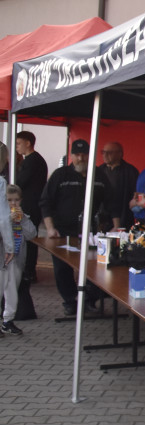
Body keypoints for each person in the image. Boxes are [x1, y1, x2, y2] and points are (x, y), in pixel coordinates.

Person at [39, 139, 107, 316]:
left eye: (84, 154)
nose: (80, 158)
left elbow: (111, 202)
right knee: (62, 268)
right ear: (71, 156)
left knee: (94, 267)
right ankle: (70, 301)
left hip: (91, 232)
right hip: (63, 231)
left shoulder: (99, 175)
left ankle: (90, 300)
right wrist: (50, 228)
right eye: (77, 155)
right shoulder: (60, 175)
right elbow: (45, 202)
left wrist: (112, 227)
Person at [1, 185, 36, 336]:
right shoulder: (2, 217)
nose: (13, 204)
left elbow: (32, 234)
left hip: (16, 259)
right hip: (2, 259)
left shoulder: (24, 217)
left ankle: (8, 320)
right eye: (9, 200)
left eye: (16, 200)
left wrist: (22, 221)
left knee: (12, 290)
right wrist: (8, 219)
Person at [14, 130, 47, 285]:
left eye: (19, 143)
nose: (16, 147)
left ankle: (29, 271)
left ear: (28, 143)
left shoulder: (32, 161)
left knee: (29, 239)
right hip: (31, 204)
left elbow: (20, 182)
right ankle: (29, 270)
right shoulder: (33, 160)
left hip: (30, 206)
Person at [96, 142, 139, 228]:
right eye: (103, 152)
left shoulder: (130, 171)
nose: (105, 155)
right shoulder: (99, 171)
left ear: (120, 154)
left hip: (123, 216)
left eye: (109, 153)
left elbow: (135, 194)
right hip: (102, 218)